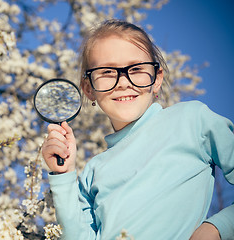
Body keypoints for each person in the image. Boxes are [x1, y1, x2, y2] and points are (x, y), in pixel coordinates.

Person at [41, 19, 234, 240]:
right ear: (88, 89)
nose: (123, 82)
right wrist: (64, 175)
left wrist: (217, 228)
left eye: (136, 69)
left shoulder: (192, 121)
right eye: (107, 72)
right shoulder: (92, 172)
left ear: (157, 79)